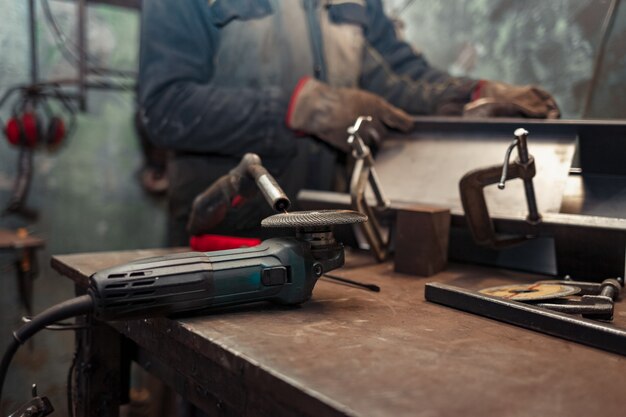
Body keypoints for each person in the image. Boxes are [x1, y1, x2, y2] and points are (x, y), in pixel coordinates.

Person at [138, 0, 559, 246]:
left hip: (331, 236)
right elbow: (164, 108)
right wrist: (303, 108)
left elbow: (395, 79)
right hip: (226, 239)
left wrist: (476, 94)